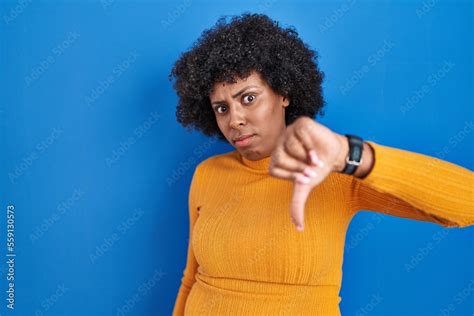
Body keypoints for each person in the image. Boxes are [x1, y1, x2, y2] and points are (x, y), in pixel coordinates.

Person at [168, 13, 474, 315]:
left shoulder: (334, 174)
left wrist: (351, 155)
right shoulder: (207, 174)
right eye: (222, 108)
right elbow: (190, 279)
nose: (234, 119)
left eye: (248, 98)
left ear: (283, 93)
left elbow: (467, 204)